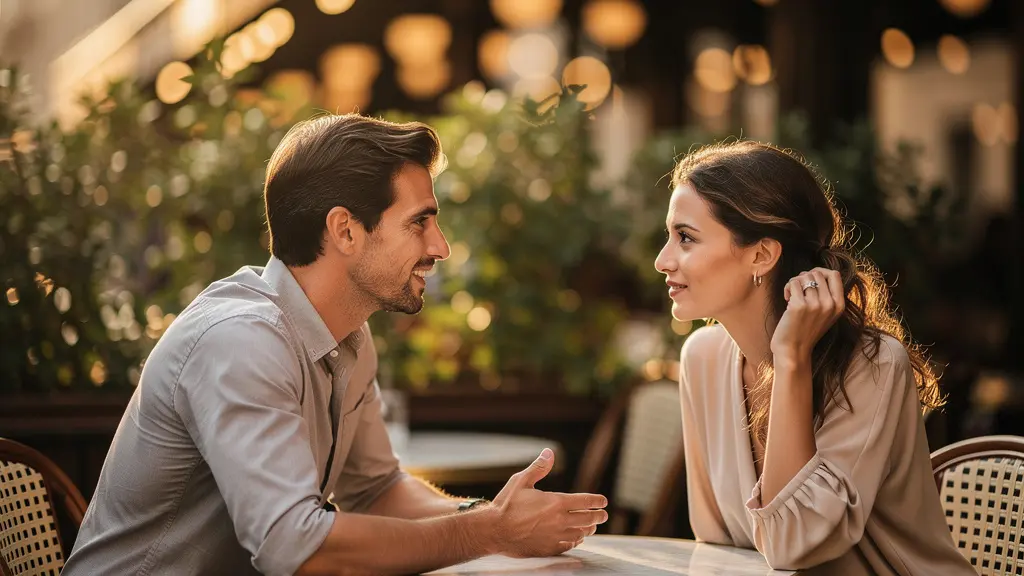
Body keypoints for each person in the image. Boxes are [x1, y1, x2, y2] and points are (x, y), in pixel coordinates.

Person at [63, 114, 608, 576]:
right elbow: (294, 547)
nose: (440, 247)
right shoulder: (240, 340)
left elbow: (376, 491)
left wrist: (490, 517)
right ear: (345, 230)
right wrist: (488, 532)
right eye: (419, 222)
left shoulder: (347, 335)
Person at [654, 141, 975, 575]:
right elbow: (718, 546)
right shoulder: (702, 359)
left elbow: (793, 546)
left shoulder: (874, 365)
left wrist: (791, 360)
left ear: (761, 255)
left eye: (686, 238)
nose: (663, 260)